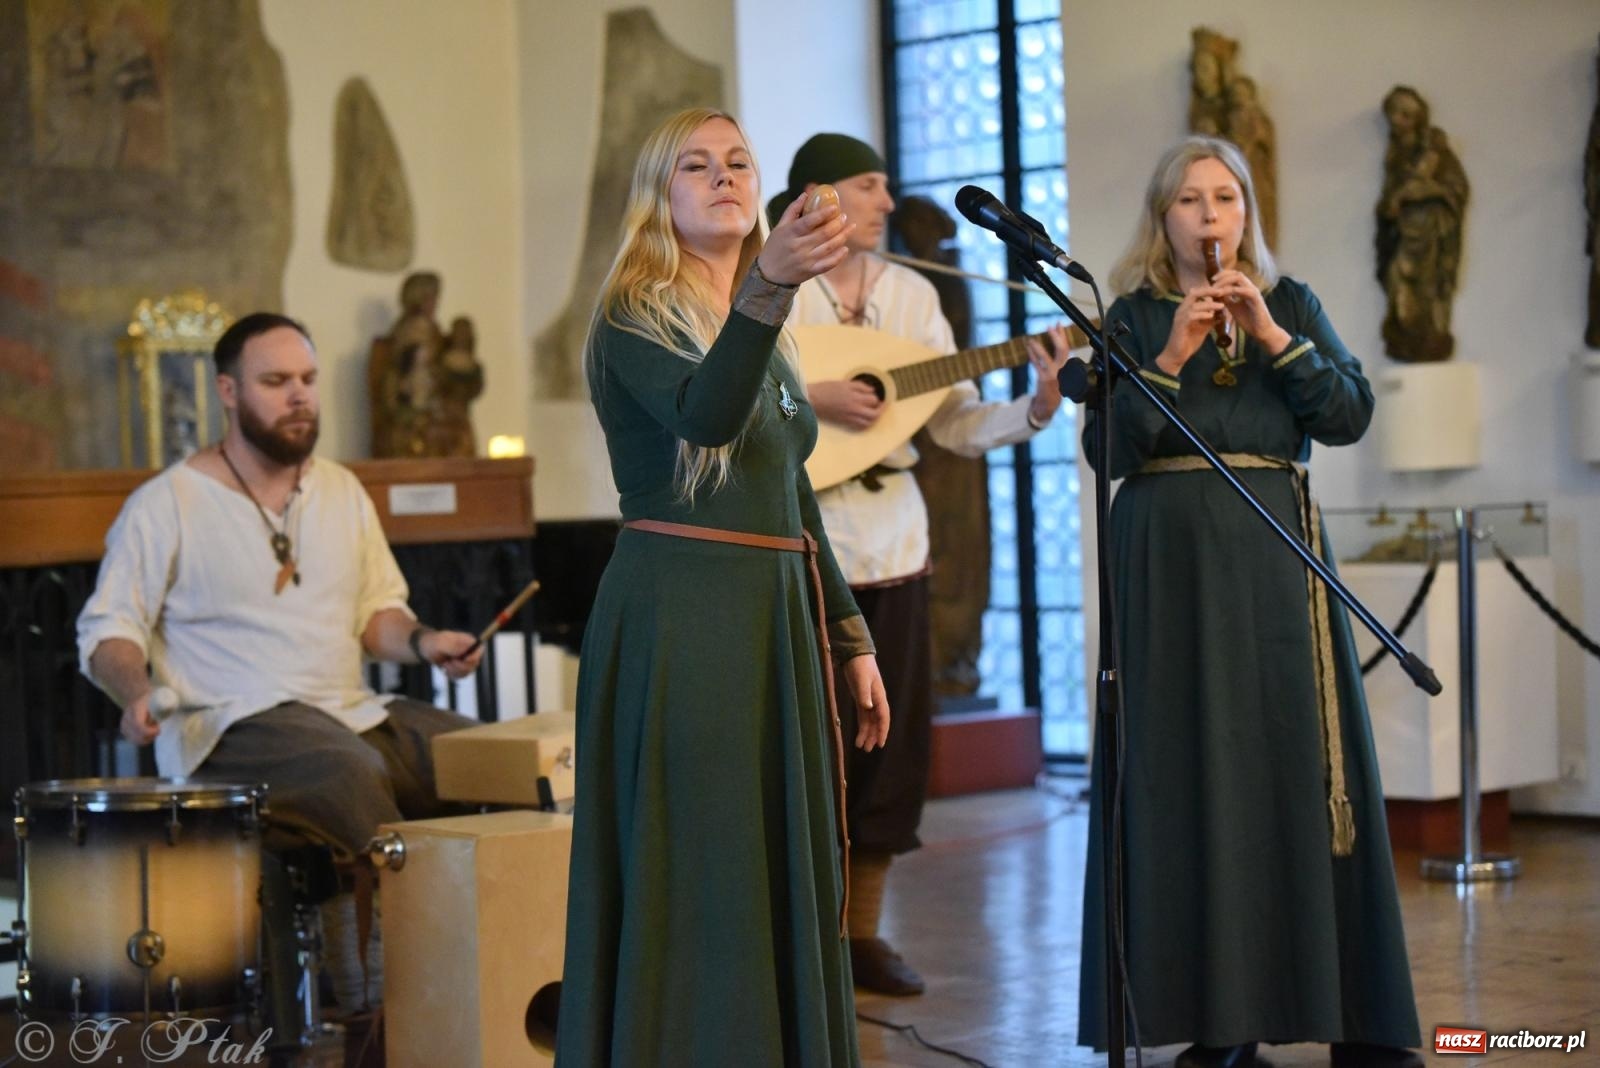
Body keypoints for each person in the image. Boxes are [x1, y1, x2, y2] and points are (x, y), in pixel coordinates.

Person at [1077, 136, 1422, 1068]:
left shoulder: (1294, 303)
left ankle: (1355, 1014)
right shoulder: (1134, 313)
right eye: (1189, 200)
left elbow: (1345, 416)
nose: (1209, 216)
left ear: (1246, 214)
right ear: (1164, 218)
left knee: (1301, 771)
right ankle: (1219, 1024)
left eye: (1224, 199)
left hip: (1276, 567)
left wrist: (1270, 336)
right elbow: (1109, 450)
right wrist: (1175, 348)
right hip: (1171, 573)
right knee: (1191, 776)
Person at [555, 108, 891, 1067]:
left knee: (775, 856)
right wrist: (775, 287)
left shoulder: (760, 318)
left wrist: (851, 634)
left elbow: (794, 493)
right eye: (695, 166)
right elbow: (706, 420)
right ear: (661, 196)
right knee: (704, 858)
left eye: (739, 162)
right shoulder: (634, 311)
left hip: (774, 615)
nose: (724, 177)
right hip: (684, 614)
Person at [77, 312, 485, 1015]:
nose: (299, 396)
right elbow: (109, 627)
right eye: (275, 382)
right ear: (229, 392)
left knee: (482, 756)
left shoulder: (340, 490)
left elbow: (375, 617)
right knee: (349, 772)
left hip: (347, 711)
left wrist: (426, 643)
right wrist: (136, 691)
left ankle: (501, 963)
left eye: (307, 379)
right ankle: (385, 993)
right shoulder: (166, 502)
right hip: (228, 723)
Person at [765, 133, 1071, 996]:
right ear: (821, 194)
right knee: (808, 747)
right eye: (871, 184)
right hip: (803, 540)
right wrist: (812, 396)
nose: (888, 202)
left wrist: (1038, 407)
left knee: (888, 748)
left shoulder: (909, 294)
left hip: (895, 541)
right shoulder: (773, 288)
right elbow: (742, 394)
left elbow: (951, 423)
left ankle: (862, 936)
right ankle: (803, 941)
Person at [1375, 86, 1469, 362]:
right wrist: (1391, 206)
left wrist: (1427, 190)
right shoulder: (1396, 155)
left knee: (1426, 285)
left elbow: (1456, 189)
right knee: (1396, 275)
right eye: (1393, 113)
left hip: (1430, 231)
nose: (1397, 120)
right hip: (1404, 232)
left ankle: (1426, 336)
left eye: (1405, 114)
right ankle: (1406, 335)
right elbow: (1390, 197)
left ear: (1418, 117)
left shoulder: (1435, 151)